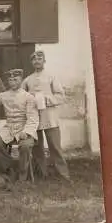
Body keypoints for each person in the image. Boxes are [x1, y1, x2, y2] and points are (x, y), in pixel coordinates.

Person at [22, 50, 70, 181]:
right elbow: (22, 98)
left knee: (54, 146)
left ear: (44, 61)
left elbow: (61, 96)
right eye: (34, 59)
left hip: (50, 116)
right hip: (35, 118)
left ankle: (63, 174)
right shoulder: (27, 80)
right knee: (37, 147)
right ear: (31, 62)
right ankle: (42, 173)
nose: (37, 61)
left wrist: (46, 99)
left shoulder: (51, 77)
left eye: (39, 58)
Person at [0, 69, 39, 183]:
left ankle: (22, 176)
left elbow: (33, 118)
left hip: (25, 127)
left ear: (21, 80)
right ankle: (9, 168)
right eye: (10, 80)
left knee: (25, 146)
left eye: (15, 79)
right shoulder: (3, 95)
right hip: (9, 127)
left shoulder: (29, 97)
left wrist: (27, 132)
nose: (13, 82)